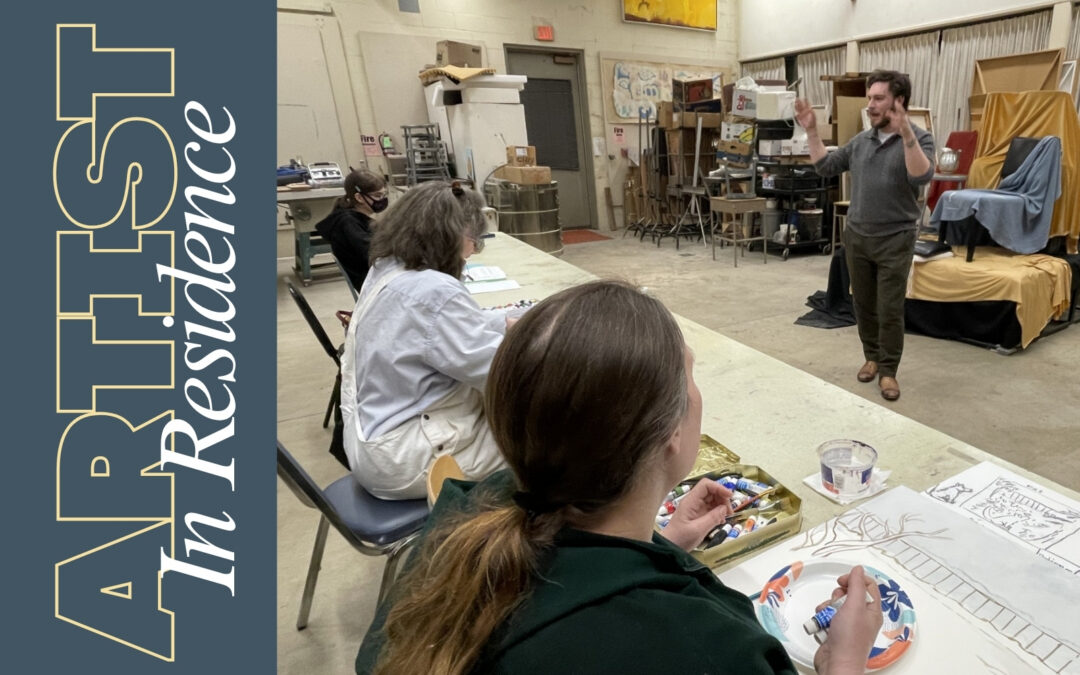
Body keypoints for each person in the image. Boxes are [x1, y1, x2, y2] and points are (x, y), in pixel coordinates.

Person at [355, 280, 883, 674]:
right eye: (690, 377)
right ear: (671, 432)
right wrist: (845, 660)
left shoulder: (469, 515)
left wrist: (661, 541)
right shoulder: (705, 648)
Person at [340, 180, 510, 500]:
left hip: (373, 442)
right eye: (474, 240)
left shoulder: (388, 270)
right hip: (407, 459)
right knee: (549, 437)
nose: (473, 251)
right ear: (452, 235)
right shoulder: (434, 290)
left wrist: (504, 322)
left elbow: (432, 328)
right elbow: (501, 372)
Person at [795, 70, 934, 402]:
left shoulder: (919, 139)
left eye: (878, 98)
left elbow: (922, 175)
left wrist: (906, 136)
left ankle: (888, 371)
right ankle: (871, 356)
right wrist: (812, 131)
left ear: (898, 102)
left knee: (889, 308)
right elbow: (825, 166)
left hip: (895, 238)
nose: (870, 105)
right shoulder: (862, 141)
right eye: (869, 97)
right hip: (857, 236)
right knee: (864, 304)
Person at [315, 168, 388, 291]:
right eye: (378, 195)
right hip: (371, 283)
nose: (382, 199)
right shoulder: (348, 222)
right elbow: (373, 252)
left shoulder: (354, 217)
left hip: (374, 276)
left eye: (384, 194)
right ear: (359, 197)